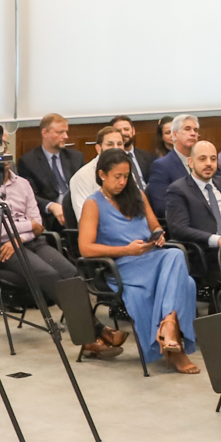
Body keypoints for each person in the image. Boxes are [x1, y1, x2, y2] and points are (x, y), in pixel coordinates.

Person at [0, 150, 125, 361]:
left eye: (5, 154)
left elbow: (38, 223)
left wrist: (19, 236)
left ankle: (92, 335)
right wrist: (27, 226)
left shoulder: (22, 184)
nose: (3, 159)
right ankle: (93, 335)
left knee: (71, 272)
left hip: (26, 242)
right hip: (1, 249)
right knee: (50, 275)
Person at [80, 150, 200, 374]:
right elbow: (85, 248)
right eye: (117, 176)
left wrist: (158, 235)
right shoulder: (93, 204)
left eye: (126, 176)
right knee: (184, 275)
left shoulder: (137, 196)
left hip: (150, 258)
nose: (122, 182)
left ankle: (169, 329)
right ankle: (173, 341)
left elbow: (156, 226)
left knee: (177, 259)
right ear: (102, 175)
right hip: (122, 265)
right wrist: (126, 250)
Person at [164, 141, 221, 289]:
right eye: (202, 159)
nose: (209, 164)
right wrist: (217, 240)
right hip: (211, 251)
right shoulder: (178, 190)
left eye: (213, 159)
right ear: (191, 162)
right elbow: (179, 229)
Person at [19, 114, 87, 231]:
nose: (65, 136)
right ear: (45, 133)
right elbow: (29, 195)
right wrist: (51, 206)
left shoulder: (76, 157)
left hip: (78, 210)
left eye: (66, 132)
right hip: (51, 217)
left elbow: (85, 186)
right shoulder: (28, 161)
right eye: (60, 132)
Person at [67, 123, 130, 230]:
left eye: (119, 144)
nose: (115, 149)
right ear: (98, 148)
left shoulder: (127, 171)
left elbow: (137, 206)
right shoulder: (82, 176)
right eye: (110, 144)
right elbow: (84, 219)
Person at [145, 114, 201, 206]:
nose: (193, 133)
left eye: (195, 130)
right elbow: (162, 206)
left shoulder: (205, 161)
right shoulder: (161, 166)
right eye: (187, 129)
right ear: (175, 134)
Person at [109, 115, 160, 190]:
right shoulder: (111, 159)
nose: (123, 133)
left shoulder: (146, 156)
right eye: (119, 131)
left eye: (126, 129)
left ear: (133, 131)